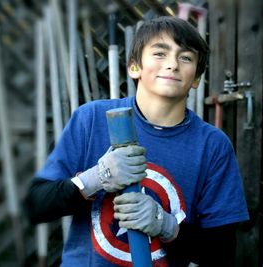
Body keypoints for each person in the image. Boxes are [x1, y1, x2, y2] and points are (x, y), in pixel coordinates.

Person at [24, 16, 249, 267]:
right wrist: (94, 178)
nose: (173, 64)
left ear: (196, 78)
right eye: (160, 53)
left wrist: (166, 225)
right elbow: (36, 205)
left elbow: (222, 254)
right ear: (134, 67)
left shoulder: (212, 145)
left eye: (186, 57)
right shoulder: (90, 120)